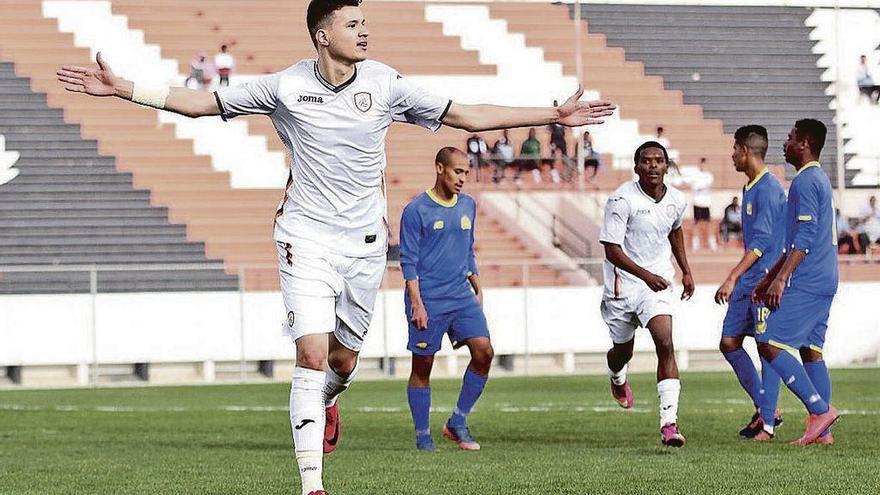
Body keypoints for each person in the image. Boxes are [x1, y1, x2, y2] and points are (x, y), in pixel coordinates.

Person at [55, 1, 615, 492]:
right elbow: (200, 103)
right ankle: (312, 484)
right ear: (323, 34)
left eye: (365, 22)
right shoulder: (284, 87)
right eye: (353, 23)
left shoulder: (387, 83)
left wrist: (553, 114)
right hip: (304, 237)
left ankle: (328, 399)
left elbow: (466, 114)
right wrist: (125, 88)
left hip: (365, 244)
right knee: (312, 355)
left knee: (343, 363)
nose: (364, 30)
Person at [599, 141, 694, 447]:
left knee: (665, 341)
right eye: (646, 161)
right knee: (622, 352)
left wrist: (685, 270)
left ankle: (669, 423)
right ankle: (617, 377)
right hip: (623, 285)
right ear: (636, 167)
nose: (653, 165)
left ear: (667, 166)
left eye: (659, 160)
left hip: (657, 282)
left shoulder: (677, 200)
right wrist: (645, 276)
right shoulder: (621, 199)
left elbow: (675, 230)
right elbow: (611, 250)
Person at [753, 119, 840, 446]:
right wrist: (771, 276)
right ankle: (823, 433)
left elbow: (803, 239)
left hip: (808, 277)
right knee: (811, 350)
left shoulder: (805, 181)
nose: (785, 143)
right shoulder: (817, 179)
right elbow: (795, 240)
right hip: (826, 275)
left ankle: (819, 410)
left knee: (769, 342)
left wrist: (781, 280)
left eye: (790, 138)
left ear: (803, 143)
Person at [399, 147, 492, 452]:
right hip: (428, 299)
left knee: (484, 352)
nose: (463, 178)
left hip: (460, 295)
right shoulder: (416, 210)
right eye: (457, 171)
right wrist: (417, 303)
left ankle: (458, 421)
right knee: (423, 366)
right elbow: (408, 261)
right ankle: (422, 434)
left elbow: (468, 249)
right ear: (440, 168)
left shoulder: (468, 205)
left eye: (466, 172)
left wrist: (477, 285)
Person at [713, 125, 786, 440]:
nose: (731, 155)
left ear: (745, 150)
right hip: (750, 280)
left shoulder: (769, 188)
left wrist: (732, 276)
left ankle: (768, 418)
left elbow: (761, 244)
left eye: (734, 149)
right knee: (729, 343)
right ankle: (766, 408)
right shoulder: (749, 187)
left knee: (765, 346)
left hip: (764, 281)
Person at [690, 157, 717, 251]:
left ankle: (712, 243)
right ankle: (695, 243)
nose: (703, 165)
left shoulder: (709, 175)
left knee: (709, 223)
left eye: (704, 164)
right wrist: (700, 186)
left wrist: (700, 186)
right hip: (697, 202)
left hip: (706, 203)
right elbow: (694, 186)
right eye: (701, 163)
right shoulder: (695, 175)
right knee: (696, 223)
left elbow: (707, 184)